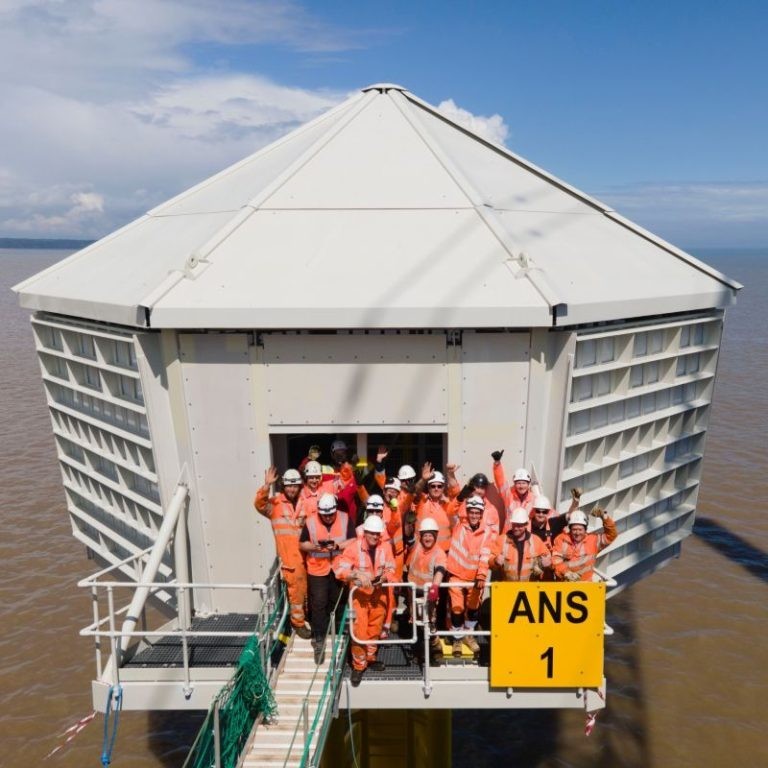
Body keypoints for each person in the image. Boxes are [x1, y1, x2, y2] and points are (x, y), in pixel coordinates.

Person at [334, 515, 396, 686]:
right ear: (365, 532)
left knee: (374, 629)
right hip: (359, 597)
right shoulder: (354, 548)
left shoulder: (386, 548)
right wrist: (356, 574)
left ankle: (370, 658)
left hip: (379, 594)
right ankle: (359, 665)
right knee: (359, 632)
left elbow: (392, 568)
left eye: (378, 534)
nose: (375, 537)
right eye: (372, 533)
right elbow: (339, 569)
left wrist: (384, 578)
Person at [254, 466, 311, 639]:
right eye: (289, 486)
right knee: (296, 591)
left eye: (295, 486)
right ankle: (298, 623)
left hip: (309, 556)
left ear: (300, 486)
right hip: (290, 558)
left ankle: (307, 617)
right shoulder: (276, 504)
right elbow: (259, 504)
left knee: (309, 591)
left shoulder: (305, 502)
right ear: (283, 486)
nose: (292, 489)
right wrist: (266, 486)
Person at [299, 493, 356, 663]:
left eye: (331, 514)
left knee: (337, 602)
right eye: (325, 515)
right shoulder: (310, 521)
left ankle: (337, 634)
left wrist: (339, 545)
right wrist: (314, 546)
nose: (329, 518)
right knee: (318, 605)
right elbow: (302, 543)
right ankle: (319, 640)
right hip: (317, 569)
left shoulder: (345, 519)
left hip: (338, 568)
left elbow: (353, 539)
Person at [445, 495, 493, 659]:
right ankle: (458, 639)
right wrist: (461, 495)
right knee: (457, 609)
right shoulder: (458, 525)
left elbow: (485, 555)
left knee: (473, 610)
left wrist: (481, 575)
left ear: (481, 514)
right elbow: (450, 510)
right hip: (456, 575)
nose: (473, 515)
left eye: (476, 512)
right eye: (471, 512)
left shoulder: (486, 532)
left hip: (475, 579)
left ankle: (469, 635)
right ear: (467, 512)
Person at [405, 517, 447, 664]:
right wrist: (409, 527)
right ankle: (418, 652)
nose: (427, 538)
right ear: (421, 536)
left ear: (435, 536)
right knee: (415, 621)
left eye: (430, 535)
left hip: (428, 595)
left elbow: (440, 570)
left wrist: (435, 587)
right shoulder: (416, 546)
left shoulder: (439, 552)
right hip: (413, 592)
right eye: (425, 535)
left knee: (430, 622)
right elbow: (409, 539)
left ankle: (435, 650)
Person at [552, 507, 618, 582]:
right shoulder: (561, 539)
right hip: (564, 583)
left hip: (586, 585)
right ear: (570, 529)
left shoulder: (594, 540)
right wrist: (566, 572)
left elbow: (611, 535)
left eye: (580, 529)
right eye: (574, 529)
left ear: (585, 529)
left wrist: (604, 517)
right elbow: (555, 561)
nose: (577, 533)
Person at [490, 507, 551, 581]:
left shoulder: (536, 541)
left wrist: (548, 563)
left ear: (526, 525)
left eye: (519, 525)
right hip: (507, 589)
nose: (516, 528)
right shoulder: (501, 540)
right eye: (514, 524)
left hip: (529, 590)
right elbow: (490, 561)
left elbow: (549, 559)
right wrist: (495, 561)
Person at [415, 465, 459, 553]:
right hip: (422, 551)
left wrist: (450, 475)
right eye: (433, 486)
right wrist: (423, 480)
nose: (436, 489)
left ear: (443, 488)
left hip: (444, 552)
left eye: (439, 486)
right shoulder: (422, 501)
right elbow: (415, 491)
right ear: (428, 487)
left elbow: (456, 491)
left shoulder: (448, 504)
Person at [491, 450, 539, 530]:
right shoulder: (508, 494)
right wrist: (497, 464)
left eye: (524, 483)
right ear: (514, 483)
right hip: (508, 536)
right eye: (518, 483)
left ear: (528, 484)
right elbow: (500, 482)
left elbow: (545, 512)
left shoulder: (534, 499)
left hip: (525, 537)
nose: (521, 486)